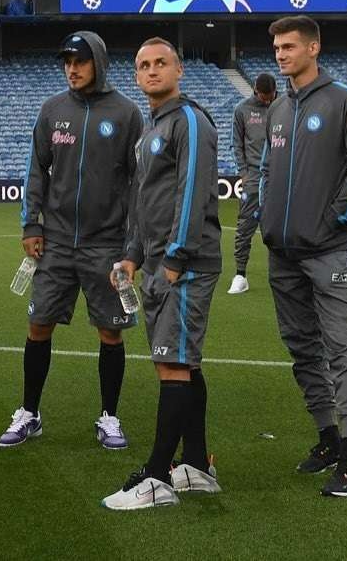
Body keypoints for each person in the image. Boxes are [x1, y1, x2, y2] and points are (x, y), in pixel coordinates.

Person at [0, 31, 144, 450]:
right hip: (57, 241)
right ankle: (29, 412)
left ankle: (110, 417)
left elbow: (138, 183)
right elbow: (35, 171)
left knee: (110, 333)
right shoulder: (52, 110)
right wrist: (31, 225)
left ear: (97, 62)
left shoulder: (126, 113)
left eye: (80, 60)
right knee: (38, 324)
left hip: (106, 245)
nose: (72, 68)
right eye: (67, 61)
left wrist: (131, 244)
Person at [256, 15, 347, 498]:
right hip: (282, 254)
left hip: (330, 252)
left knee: (344, 348)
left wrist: (335, 222)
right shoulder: (279, 109)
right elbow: (265, 169)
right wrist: (267, 220)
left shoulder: (344, 100)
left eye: (289, 46)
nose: (281, 54)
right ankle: (328, 437)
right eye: (277, 48)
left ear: (314, 48)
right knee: (302, 349)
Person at [103, 38, 223, 510]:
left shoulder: (189, 121)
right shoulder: (150, 129)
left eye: (160, 63)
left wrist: (174, 259)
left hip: (184, 264)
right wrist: (133, 255)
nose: (151, 71)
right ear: (135, 76)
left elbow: (193, 193)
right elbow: (141, 202)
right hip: (154, 262)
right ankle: (195, 463)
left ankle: (155, 477)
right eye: (142, 66)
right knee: (179, 361)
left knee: (172, 361)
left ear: (179, 70)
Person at [228, 73, 277, 294]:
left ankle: (284, 274)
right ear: (256, 91)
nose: (267, 100)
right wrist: (244, 173)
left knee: (281, 226)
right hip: (254, 177)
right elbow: (236, 143)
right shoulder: (242, 109)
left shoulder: (284, 106)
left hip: (280, 176)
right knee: (245, 225)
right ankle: (240, 274)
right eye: (264, 96)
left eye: (271, 96)